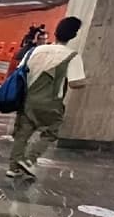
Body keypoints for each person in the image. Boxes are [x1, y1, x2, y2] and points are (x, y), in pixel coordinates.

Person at [8, 16, 87, 179]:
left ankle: (13, 167)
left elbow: (21, 70)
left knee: (22, 133)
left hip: (28, 98)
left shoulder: (35, 50)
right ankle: (29, 160)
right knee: (52, 131)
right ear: (73, 35)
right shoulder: (71, 56)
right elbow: (75, 83)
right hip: (51, 102)